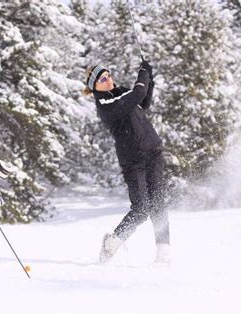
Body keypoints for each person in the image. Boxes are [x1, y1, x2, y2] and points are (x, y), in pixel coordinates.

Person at [84, 61, 170, 264]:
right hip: (133, 160)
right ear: (94, 86)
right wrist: (142, 76)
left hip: (153, 151)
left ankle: (163, 250)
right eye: (103, 79)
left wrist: (149, 77)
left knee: (158, 202)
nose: (109, 80)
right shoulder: (105, 105)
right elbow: (137, 94)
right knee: (141, 209)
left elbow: (144, 101)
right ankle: (113, 243)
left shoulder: (121, 92)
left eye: (109, 75)